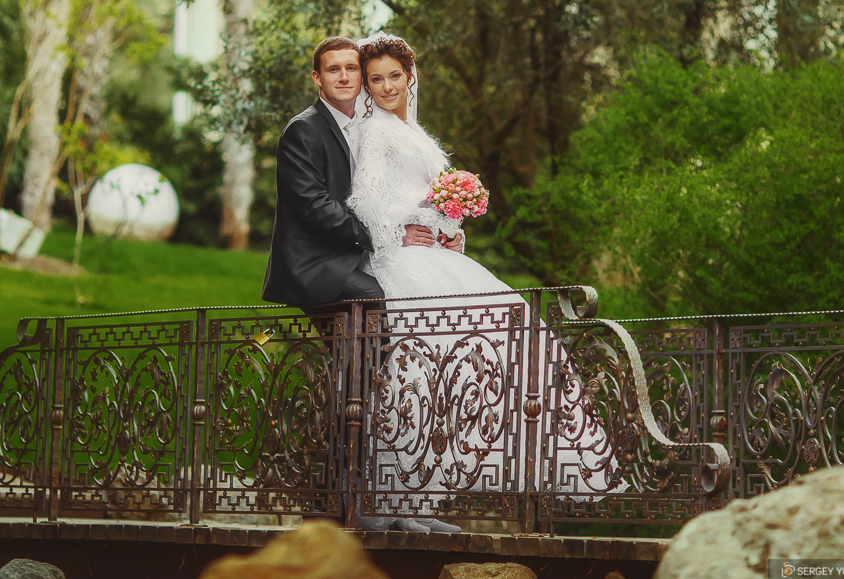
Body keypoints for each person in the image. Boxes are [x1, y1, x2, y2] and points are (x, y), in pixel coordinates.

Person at [346, 31, 620, 529]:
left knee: (466, 367)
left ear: (411, 77)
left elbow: (421, 200)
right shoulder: (377, 132)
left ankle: (417, 499)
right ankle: (387, 502)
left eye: (394, 77)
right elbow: (365, 200)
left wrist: (450, 227)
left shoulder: (414, 132)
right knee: (422, 375)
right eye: (375, 80)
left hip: (434, 253)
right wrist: (409, 226)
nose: (386, 87)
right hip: (405, 261)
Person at [261, 36, 460, 533]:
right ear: (317, 78)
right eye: (335, 70)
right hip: (321, 266)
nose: (346, 77)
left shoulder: (365, 125)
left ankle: (392, 501)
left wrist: (441, 229)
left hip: (358, 259)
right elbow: (315, 206)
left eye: (353, 68)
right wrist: (388, 235)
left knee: (374, 381)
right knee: (365, 366)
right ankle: (345, 501)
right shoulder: (303, 130)